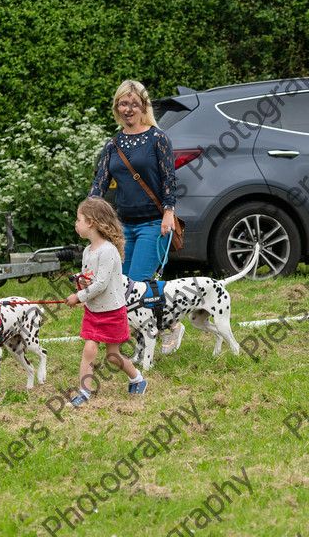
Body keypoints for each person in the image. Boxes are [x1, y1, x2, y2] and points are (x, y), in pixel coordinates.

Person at [89, 79, 184, 354]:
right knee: (121, 287)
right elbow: (100, 183)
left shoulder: (158, 138)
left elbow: (169, 179)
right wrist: (88, 212)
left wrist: (168, 212)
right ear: (117, 107)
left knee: (139, 286)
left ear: (144, 106)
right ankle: (130, 340)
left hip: (153, 224)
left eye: (134, 103)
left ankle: (169, 327)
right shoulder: (113, 144)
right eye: (123, 103)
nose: (128, 109)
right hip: (123, 226)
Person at [66, 197, 147, 406]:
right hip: (93, 311)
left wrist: (78, 297)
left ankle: (137, 378)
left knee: (113, 357)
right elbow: (90, 278)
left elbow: (101, 284)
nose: (76, 224)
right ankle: (84, 392)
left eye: (79, 219)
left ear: (90, 222)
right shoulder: (87, 251)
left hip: (112, 312)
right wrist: (80, 283)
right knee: (89, 349)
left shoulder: (108, 251)